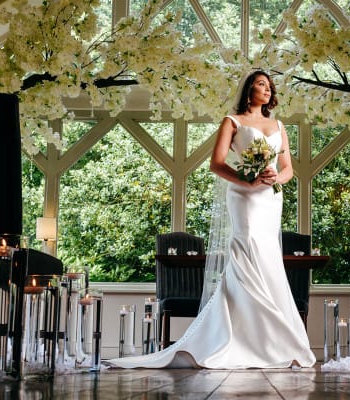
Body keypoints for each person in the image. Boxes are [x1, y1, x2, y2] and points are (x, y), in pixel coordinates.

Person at [105, 70, 316, 369]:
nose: (267, 90)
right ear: (248, 89)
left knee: (268, 257)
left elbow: (288, 168)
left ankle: (268, 339)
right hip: (244, 196)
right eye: (260, 84)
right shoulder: (233, 122)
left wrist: (273, 178)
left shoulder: (278, 125)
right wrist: (249, 181)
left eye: (269, 86)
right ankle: (237, 339)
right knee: (246, 250)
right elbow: (216, 164)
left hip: (270, 198)